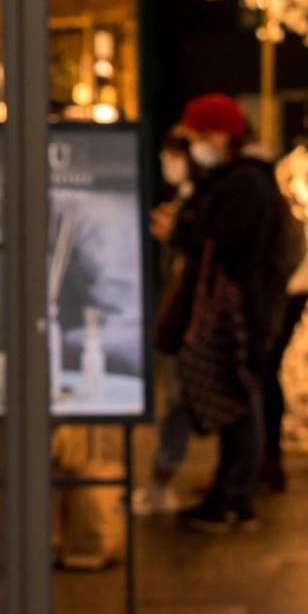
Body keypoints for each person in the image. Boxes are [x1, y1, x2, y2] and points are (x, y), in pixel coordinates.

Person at [168, 95, 289, 533]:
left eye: (199, 137)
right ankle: (231, 488)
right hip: (240, 302)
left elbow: (225, 246)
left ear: (221, 136)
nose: (196, 147)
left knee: (240, 395)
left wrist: (189, 231)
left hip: (236, 305)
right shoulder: (240, 179)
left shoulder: (244, 184)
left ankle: (236, 494)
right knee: (238, 393)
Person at [135, 130, 198, 515]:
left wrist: (176, 234)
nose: (167, 163)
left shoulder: (203, 195)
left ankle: (162, 478)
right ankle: (163, 478)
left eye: (172, 155)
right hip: (186, 312)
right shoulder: (191, 194)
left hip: (191, 315)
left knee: (179, 399)